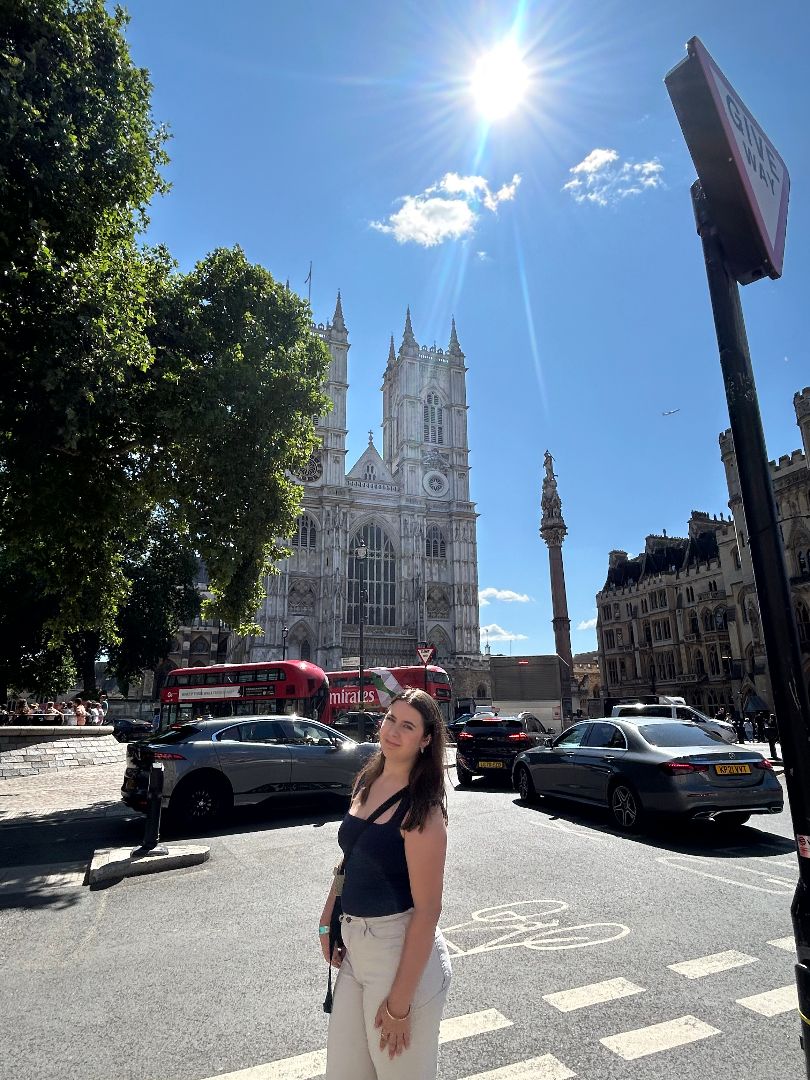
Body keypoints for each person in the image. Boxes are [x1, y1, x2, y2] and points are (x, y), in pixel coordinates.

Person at [320, 688, 451, 1080]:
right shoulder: (369, 779)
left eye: (407, 725)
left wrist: (399, 1005)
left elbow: (428, 911)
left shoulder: (423, 808)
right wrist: (328, 921)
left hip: (399, 952)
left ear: (426, 740)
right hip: (355, 950)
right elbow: (350, 858)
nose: (393, 730)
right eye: (391, 719)